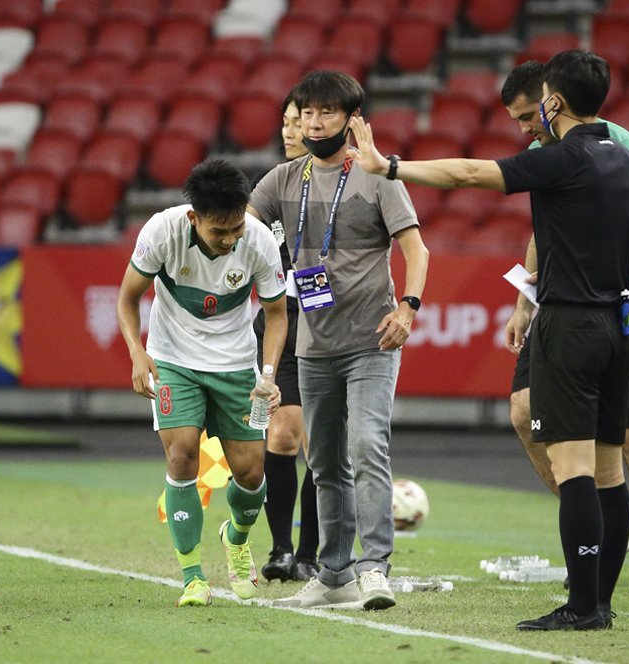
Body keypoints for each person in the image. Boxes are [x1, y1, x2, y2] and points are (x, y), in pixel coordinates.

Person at [348, 50, 629, 631]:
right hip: (621, 324)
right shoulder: (627, 160)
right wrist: (597, 262)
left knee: (574, 471)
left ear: (554, 102)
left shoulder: (560, 158)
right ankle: (603, 602)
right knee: (611, 469)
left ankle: (582, 606)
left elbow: (470, 173)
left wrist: (387, 167)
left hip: (570, 325)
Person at [500, 60, 629, 593]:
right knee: (523, 409)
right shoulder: (547, 152)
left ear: (550, 99)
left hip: (626, 305)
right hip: (560, 305)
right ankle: (593, 534)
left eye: (525, 116)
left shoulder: (615, 144)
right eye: (515, 122)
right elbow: (547, 227)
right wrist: (523, 303)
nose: (523, 130)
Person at [248, 70, 430, 611]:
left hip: (372, 339)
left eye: (325, 112)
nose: (312, 121)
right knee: (324, 462)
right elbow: (238, 228)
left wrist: (409, 306)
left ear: (352, 121)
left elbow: (417, 251)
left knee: (367, 446)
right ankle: (333, 574)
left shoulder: (377, 175)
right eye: (305, 112)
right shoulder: (283, 179)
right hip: (313, 344)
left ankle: (374, 568)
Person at [116, 158, 288, 607]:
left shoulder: (259, 241)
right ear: (194, 218)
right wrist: (139, 353)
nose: (230, 239)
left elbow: (276, 314)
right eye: (219, 232)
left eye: (236, 228)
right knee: (182, 455)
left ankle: (236, 537)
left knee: (252, 473)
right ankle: (193, 576)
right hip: (174, 360)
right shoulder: (161, 231)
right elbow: (127, 298)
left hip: (235, 365)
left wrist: (267, 376)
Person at [252, 92, 320, 583]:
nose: (290, 131)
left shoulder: (341, 182)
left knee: (322, 445)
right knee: (281, 434)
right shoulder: (272, 186)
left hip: (329, 323)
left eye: (299, 122)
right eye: (287, 122)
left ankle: (312, 553)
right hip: (282, 323)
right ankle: (280, 550)